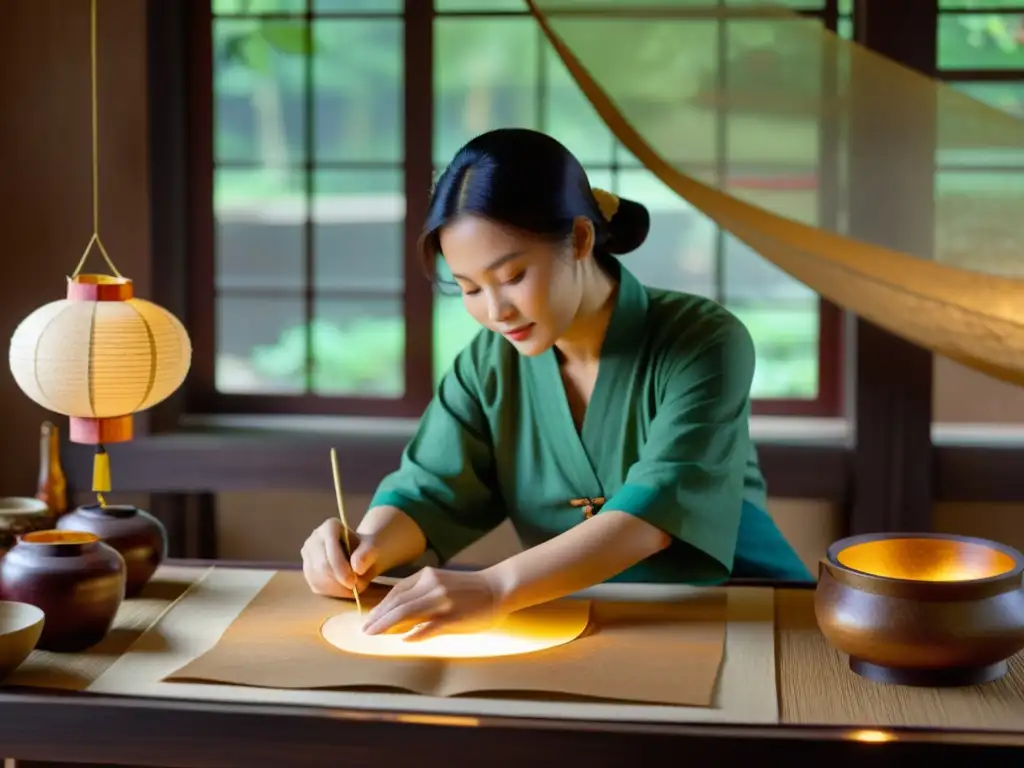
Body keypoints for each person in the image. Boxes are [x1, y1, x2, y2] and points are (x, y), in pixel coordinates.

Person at [301, 127, 812, 642]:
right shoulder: (486, 366)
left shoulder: (703, 340)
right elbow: (429, 492)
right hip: (583, 622)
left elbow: (655, 510)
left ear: (582, 238)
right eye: (470, 288)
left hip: (743, 613)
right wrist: (362, 549)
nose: (495, 312)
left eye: (514, 276)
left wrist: (496, 588)